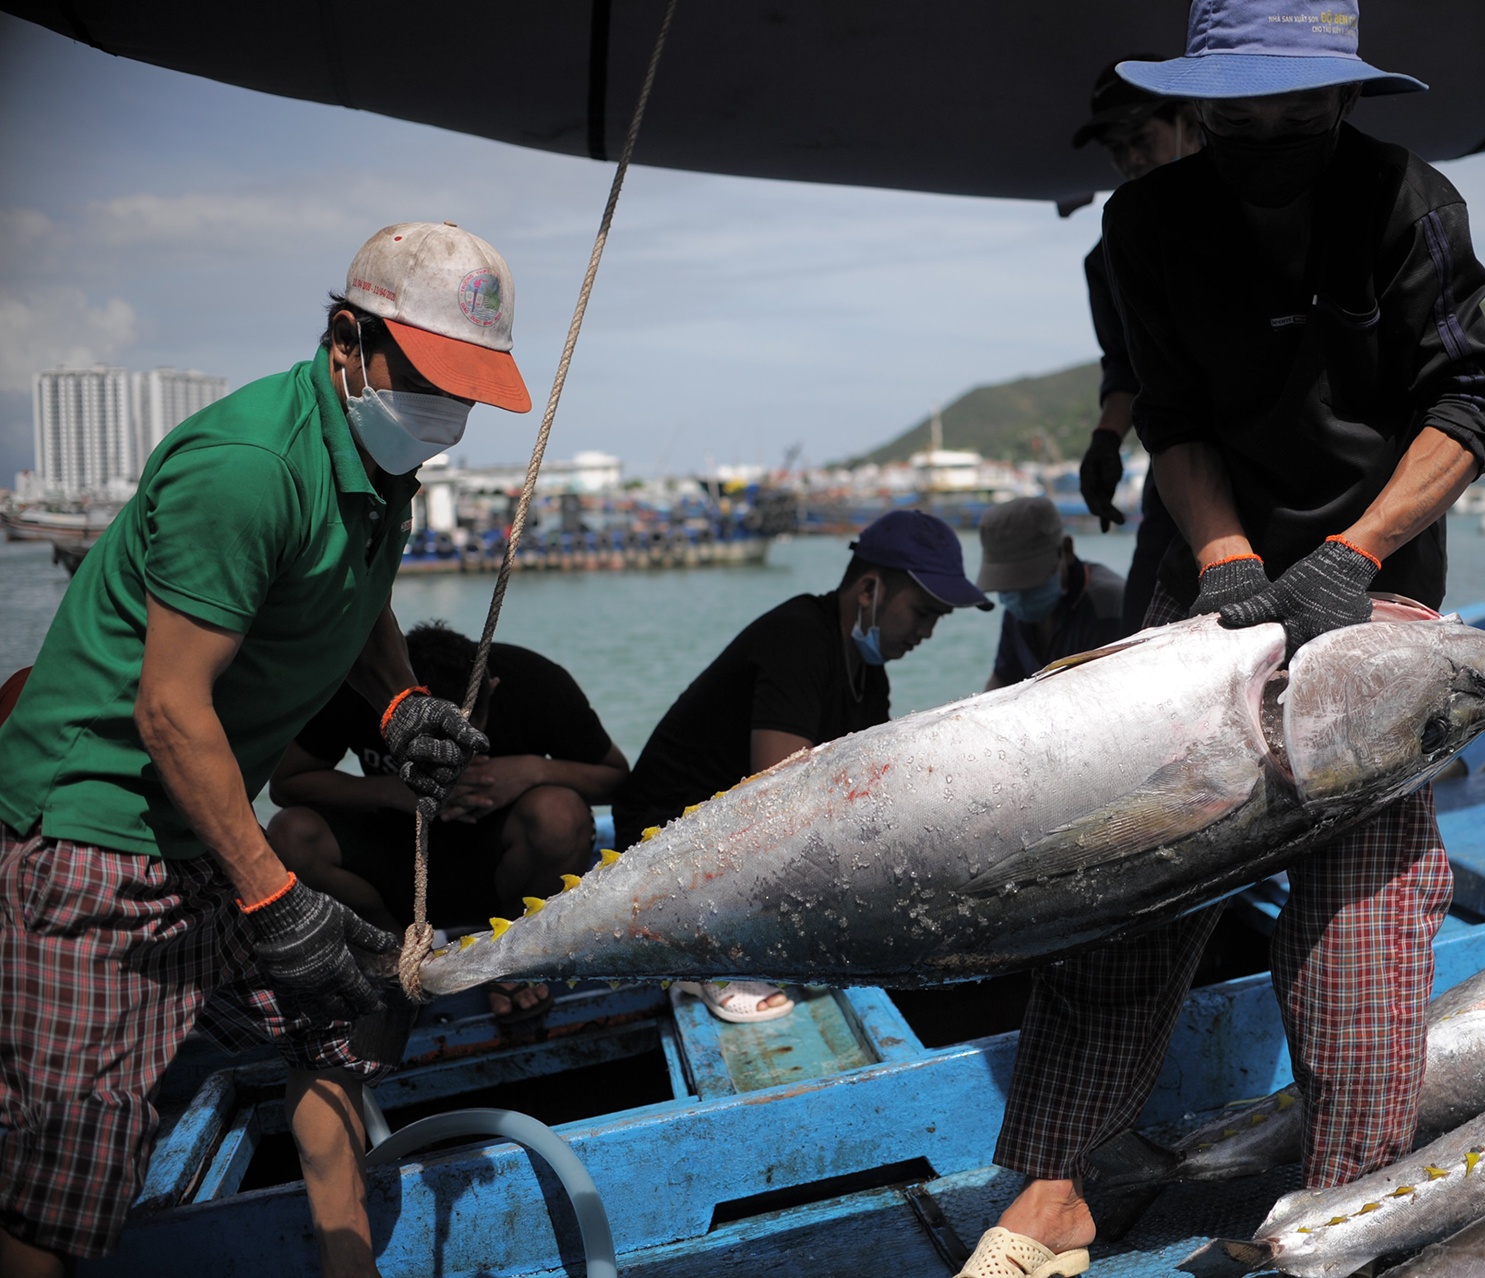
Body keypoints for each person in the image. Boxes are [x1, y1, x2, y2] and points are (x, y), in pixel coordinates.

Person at [956, 3, 1485, 1273]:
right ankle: (1055, 1187)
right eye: (1238, 115)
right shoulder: (1144, 223)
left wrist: (1352, 554)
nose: (1268, 136)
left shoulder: (1411, 200)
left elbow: (1470, 406)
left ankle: (1344, 1202)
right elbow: (1178, 414)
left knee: (1359, 899)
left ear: (1344, 102)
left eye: (1297, 112)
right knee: (1135, 870)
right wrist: (1226, 557)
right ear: (1196, 109)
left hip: (1375, 578)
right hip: (1209, 574)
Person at [0, 221, 528, 1278]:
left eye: (469, 392)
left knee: (351, 1015)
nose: (448, 414)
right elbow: (167, 712)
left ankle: (348, 1264)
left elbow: (350, 596)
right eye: (430, 379)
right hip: (96, 832)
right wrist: (274, 899)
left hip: (202, 823)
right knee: (71, 1164)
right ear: (348, 339)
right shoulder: (246, 468)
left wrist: (398, 706)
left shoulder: (380, 474)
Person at [610, 510, 990, 1022]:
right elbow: (777, 798)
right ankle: (700, 956)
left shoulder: (868, 672)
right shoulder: (798, 639)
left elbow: (870, 787)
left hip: (734, 838)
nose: (927, 632)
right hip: (669, 839)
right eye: (923, 611)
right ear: (868, 590)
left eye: (938, 618)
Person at [267, 621, 628, 1026]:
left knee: (560, 814)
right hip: (396, 863)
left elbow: (615, 778)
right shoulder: (362, 685)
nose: (449, 758)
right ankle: (390, 948)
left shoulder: (533, 680)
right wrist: (395, 793)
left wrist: (530, 771)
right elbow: (287, 785)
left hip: (503, 868)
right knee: (291, 834)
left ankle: (512, 952)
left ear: (492, 688)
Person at [1071, 57, 1203, 635]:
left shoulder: (1254, 216)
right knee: (1140, 641)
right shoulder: (1108, 254)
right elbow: (1126, 367)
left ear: (1192, 123)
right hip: (1177, 468)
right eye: (1116, 148)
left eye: (1141, 138)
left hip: (1282, 470)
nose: (1130, 158)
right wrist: (1105, 444)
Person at [978, 496, 1128, 690]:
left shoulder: (1109, 607)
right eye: (1008, 586)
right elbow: (1002, 678)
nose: (1019, 596)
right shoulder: (1016, 612)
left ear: (1066, 550)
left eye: (1030, 580)